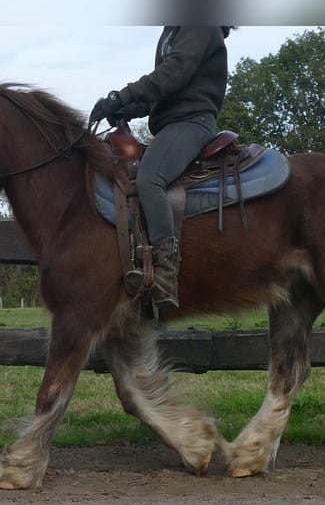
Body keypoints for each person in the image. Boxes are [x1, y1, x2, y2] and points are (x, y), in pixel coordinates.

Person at [89, 26, 234, 310]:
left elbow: (175, 72)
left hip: (192, 121)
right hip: (171, 124)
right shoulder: (173, 29)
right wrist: (124, 109)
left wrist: (123, 96)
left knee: (150, 179)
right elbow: (163, 92)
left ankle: (166, 271)